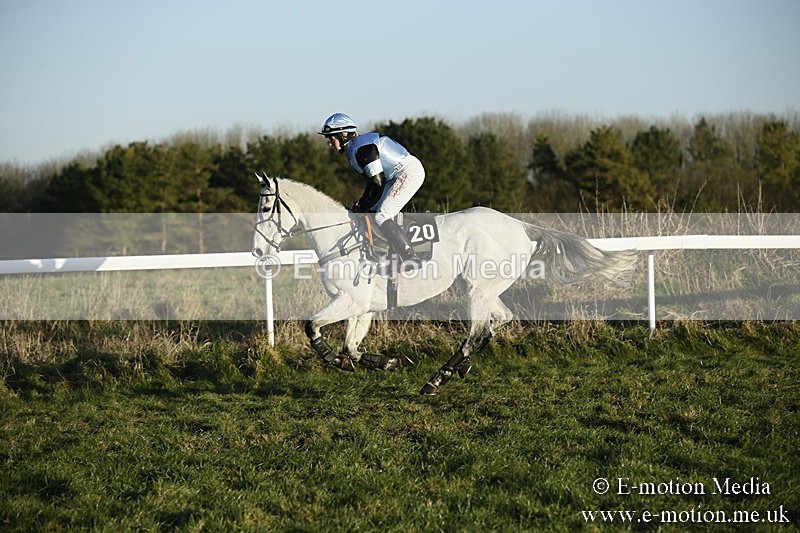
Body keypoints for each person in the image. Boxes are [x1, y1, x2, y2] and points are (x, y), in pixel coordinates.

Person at [318, 113, 425, 264]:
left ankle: (410, 257)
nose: (329, 143)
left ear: (343, 134)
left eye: (331, 138)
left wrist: (363, 204)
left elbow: (377, 183)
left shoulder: (362, 149)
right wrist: (363, 203)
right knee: (373, 211)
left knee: (382, 215)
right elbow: (373, 182)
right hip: (393, 176)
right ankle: (383, 251)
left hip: (407, 172)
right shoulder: (355, 148)